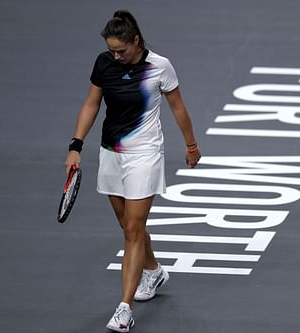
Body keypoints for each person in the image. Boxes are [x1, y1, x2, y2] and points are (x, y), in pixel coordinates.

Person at [64, 9, 201, 332]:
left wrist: (191, 146)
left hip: (145, 155)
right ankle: (153, 270)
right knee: (128, 225)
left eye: (121, 50)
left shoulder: (159, 67)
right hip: (111, 153)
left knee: (132, 230)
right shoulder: (104, 64)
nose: (116, 55)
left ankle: (124, 309)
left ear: (136, 41)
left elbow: (178, 107)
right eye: (112, 50)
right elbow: (91, 104)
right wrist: (76, 145)